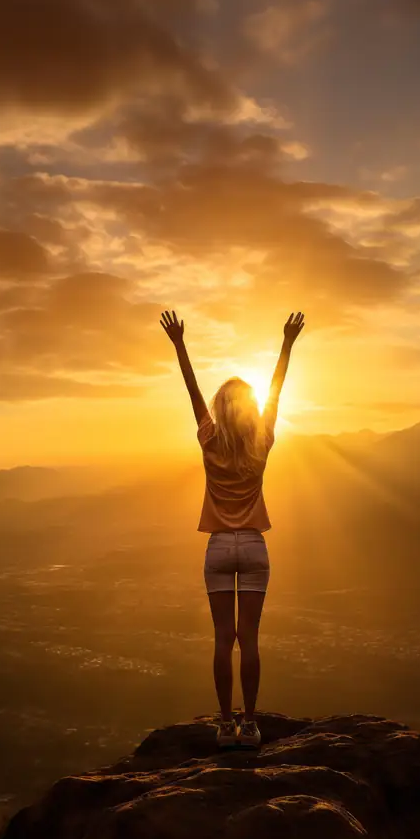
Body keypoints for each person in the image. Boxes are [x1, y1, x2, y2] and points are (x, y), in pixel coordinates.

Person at [160, 309, 305, 748]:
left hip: (219, 546)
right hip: (255, 547)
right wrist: (287, 343)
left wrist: (180, 345)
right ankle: (251, 723)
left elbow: (192, 390)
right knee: (250, 640)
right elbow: (277, 389)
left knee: (223, 640)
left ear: (219, 410)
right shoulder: (262, 439)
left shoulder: (208, 437)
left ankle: (225, 725)